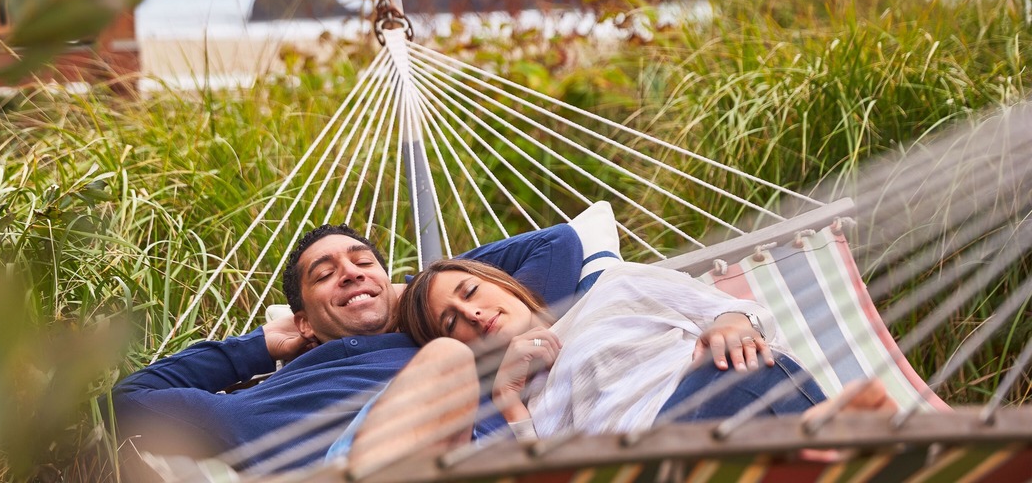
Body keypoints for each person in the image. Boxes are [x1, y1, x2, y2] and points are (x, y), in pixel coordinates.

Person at [106, 222, 585, 475]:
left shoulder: (455, 336)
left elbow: (556, 244)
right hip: (338, 465)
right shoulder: (252, 408)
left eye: (364, 263)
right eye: (325, 274)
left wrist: (414, 292)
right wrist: (261, 344)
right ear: (303, 321)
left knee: (447, 359)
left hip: (473, 463)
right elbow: (127, 400)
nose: (352, 273)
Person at [395, 256, 895, 441]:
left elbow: (737, 312)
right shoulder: (521, 402)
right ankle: (839, 444)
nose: (473, 314)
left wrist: (732, 325)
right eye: (452, 323)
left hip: (716, 390)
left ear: (501, 282)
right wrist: (508, 401)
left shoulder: (614, 286)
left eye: (470, 291)